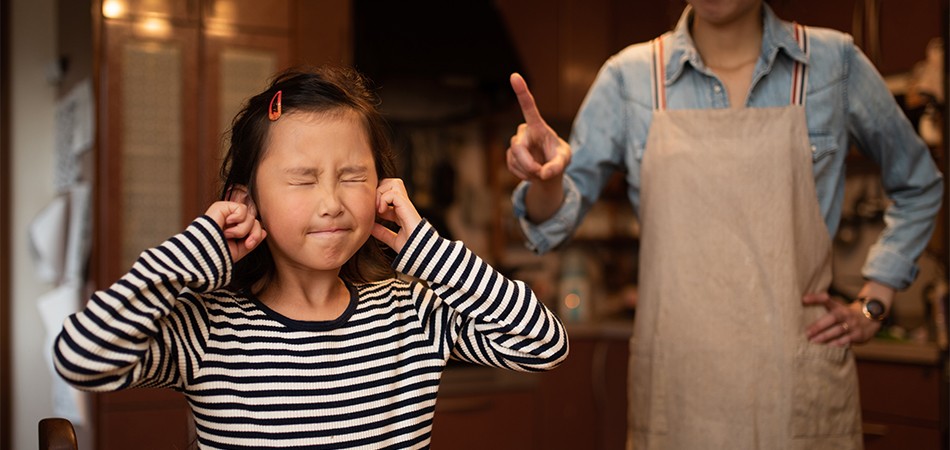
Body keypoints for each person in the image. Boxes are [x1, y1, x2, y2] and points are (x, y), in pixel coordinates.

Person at [54, 66, 568, 449]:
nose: (332, 202)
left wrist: (426, 249)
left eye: (352, 177)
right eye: (302, 179)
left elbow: (544, 345)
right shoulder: (209, 328)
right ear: (245, 201)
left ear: (384, 189)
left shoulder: (413, 312)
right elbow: (82, 357)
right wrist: (195, 251)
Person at [506, 0, 943, 448]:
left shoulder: (835, 64)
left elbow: (919, 183)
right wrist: (548, 179)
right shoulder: (629, 78)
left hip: (796, 386)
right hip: (679, 391)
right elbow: (551, 223)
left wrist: (876, 298)